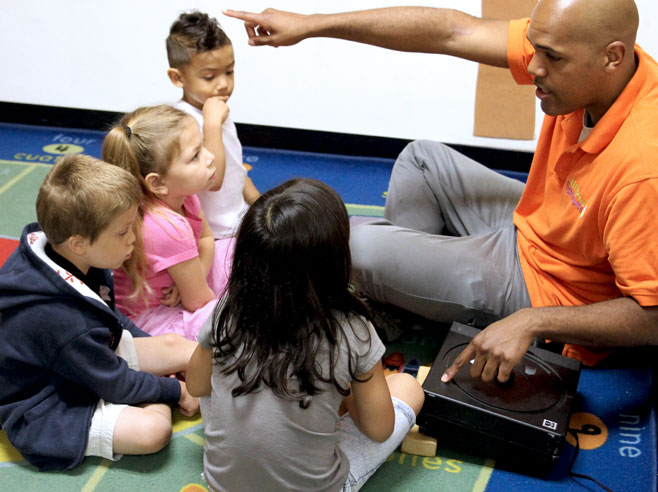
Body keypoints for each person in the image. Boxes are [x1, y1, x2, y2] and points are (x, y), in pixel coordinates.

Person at [223, 0, 658, 383]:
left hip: (553, 288)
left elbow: (651, 316)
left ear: (611, 58)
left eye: (551, 58)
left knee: (353, 245)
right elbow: (453, 29)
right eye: (535, 48)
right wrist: (313, 23)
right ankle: (406, 300)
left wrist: (532, 320)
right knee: (422, 159)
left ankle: (403, 296)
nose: (534, 67)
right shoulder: (584, 53)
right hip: (542, 222)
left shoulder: (643, 166)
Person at [186, 178, 424, 492]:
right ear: (336, 258)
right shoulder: (352, 328)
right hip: (319, 486)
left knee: (224, 378)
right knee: (406, 386)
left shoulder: (228, 308)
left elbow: (197, 385)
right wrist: (346, 391)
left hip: (223, 484)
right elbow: (379, 429)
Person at [0, 155, 199, 471]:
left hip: (81, 360)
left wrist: (156, 359)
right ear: (79, 243)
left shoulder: (74, 252)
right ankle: (153, 393)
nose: (133, 238)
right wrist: (174, 390)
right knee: (153, 432)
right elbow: (114, 384)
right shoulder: (64, 320)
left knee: (175, 345)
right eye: (122, 232)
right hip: (46, 403)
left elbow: (110, 317)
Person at [102, 104, 232, 341]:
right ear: (158, 183)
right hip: (149, 320)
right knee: (224, 320)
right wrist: (193, 290)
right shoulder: (165, 226)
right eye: (195, 156)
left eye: (203, 146)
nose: (210, 157)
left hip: (183, 289)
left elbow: (206, 239)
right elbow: (199, 302)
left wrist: (196, 276)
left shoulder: (183, 195)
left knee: (238, 247)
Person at [166, 10, 259, 240]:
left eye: (229, 71)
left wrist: (262, 207)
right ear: (178, 78)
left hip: (240, 224)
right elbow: (212, 180)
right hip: (213, 237)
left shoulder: (214, 110)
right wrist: (212, 125)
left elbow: (237, 170)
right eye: (209, 77)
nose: (224, 84)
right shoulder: (183, 122)